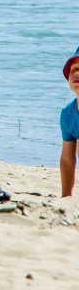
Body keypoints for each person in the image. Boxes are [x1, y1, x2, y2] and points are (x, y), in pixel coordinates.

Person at [60, 49, 79, 197]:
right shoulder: (68, 113)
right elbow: (67, 158)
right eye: (75, 69)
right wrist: (66, 196)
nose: (77, 74)